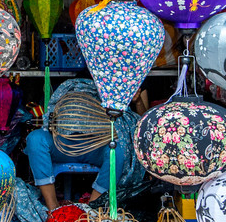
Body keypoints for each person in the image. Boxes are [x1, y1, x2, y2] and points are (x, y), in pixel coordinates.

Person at [24, 78, 145, 211]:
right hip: (63, 144)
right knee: (35, 139)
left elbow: (142, 125)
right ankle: (53, 208)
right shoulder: (70, 85)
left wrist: (136, 101)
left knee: (117, 149)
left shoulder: (119, 81)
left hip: (97, 146)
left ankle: (92, 208)